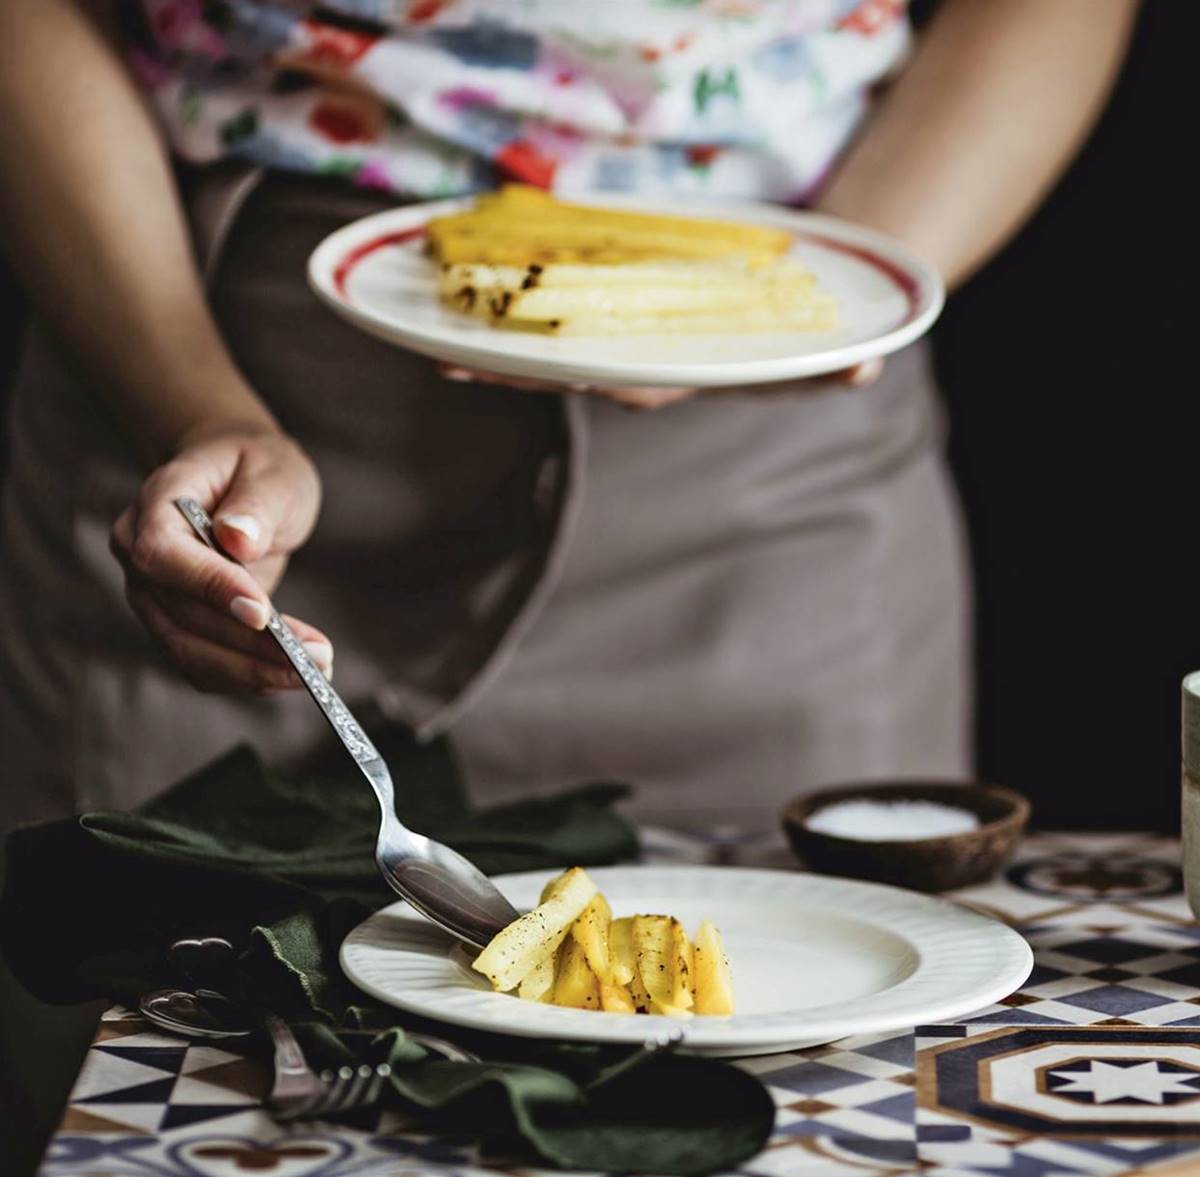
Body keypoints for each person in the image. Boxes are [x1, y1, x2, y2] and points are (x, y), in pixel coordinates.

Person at [0, 0, 1139, 843]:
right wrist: (189, 399)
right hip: (194, 364)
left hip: (774, 488)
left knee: (824, 1100)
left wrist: (811, 298)